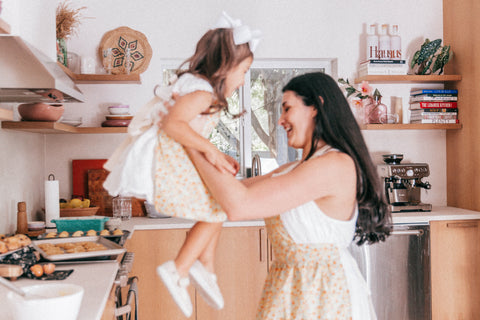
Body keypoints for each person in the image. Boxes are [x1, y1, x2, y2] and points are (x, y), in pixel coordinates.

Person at [186, 72, 391, 319]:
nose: (281, 120)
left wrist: (189, 139)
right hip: (291, 286)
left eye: (287, 109)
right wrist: (193, 139)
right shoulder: (294, 168)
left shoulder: (335, 164)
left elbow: (238, 205)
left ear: (317, 106)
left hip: (324, 292)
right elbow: (225, 192)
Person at [103, 11, 260, 318]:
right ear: (227, 67)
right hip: (170, 159)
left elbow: (186, 127)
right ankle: (180, 268)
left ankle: (205, 268)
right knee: (220, 207)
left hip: (174, 156)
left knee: (217, 207)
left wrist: (215, 152)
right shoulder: (202, 92)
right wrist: (211, 152)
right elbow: (174, 125)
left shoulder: (199, 89)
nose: (243, 81)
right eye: (243, 72)